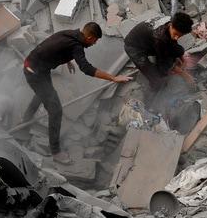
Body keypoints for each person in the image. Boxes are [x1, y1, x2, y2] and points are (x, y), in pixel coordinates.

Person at [22, 23, 131, 164]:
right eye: (95, 40)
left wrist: (67, 60)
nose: (94, 43)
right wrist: (113, 78)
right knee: (56, 111)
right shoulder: (76, 46)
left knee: (41, 95)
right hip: (35, 73)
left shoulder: (69, 34)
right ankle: (56, 152)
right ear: (89, 37)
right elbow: (86, 68)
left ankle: (24, 122)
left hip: (36, 67)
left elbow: (56, 46)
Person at [124, 12, 194, 109]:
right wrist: (185, 75)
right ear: (171, 25)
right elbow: (164, 60)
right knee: (158, 77)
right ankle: (151, 102)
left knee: (179, 50)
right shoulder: (160, 38)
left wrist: (181, 57)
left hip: (149, 40)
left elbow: (173, 42)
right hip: (134, 47)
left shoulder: (172, 22)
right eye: (176, 34)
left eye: (180, 35)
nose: (177, 37)